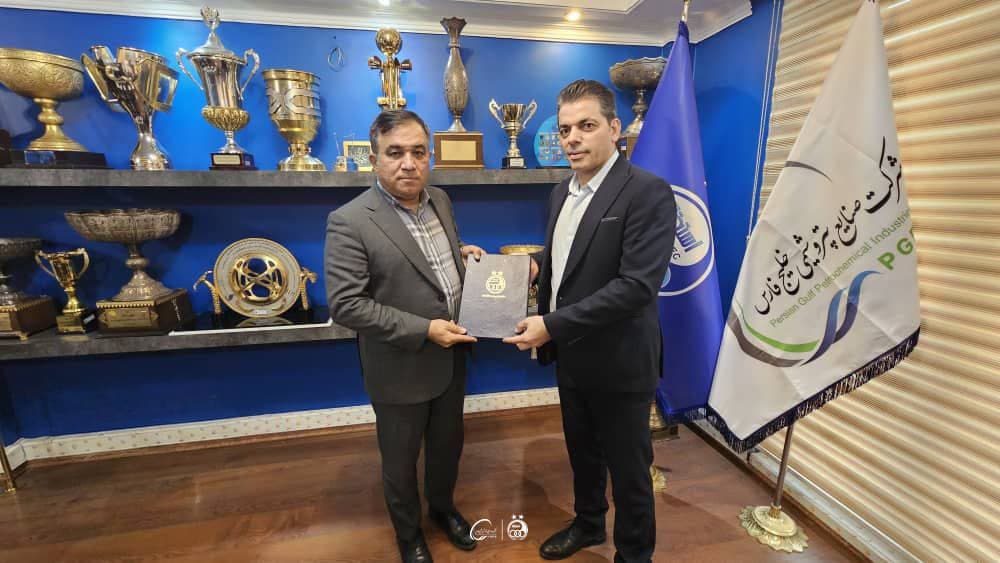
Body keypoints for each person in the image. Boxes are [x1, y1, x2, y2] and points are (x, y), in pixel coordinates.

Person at [504, 79, 677, 562]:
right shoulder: (562, 191)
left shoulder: (648, 192)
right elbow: (570, 255)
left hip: (621, 361)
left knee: (629, 470)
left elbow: (636, 286)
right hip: (572, 356)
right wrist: (533, 265)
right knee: (582, 452)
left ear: (614, 128)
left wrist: (551, 325)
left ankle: (634, 554)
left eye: (586, 125)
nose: (573, 139)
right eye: (565, 129)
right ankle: (588, 523)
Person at [325, 109, 485, 563]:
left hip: (452, 357)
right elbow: (346, 305)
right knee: (400, 460)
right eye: (395, 153)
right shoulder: (349, 220)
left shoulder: (441, 200)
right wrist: (425, 330)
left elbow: (423, 261)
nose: (409, 164)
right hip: (399, 366)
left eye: (418, 152)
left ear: (429, 156)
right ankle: (409, 535)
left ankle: (443, 509)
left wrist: (461, 254)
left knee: (447, 447)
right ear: (374, 159)